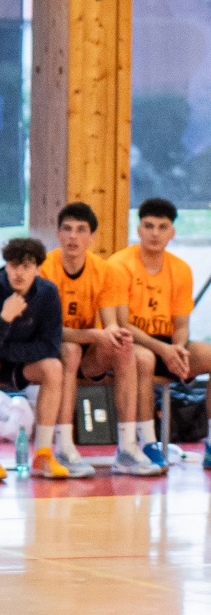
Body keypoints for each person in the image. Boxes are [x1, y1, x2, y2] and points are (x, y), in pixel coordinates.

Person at [107, 197, 210, 471]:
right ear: (138, 229)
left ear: (172, 232)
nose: (155, 233)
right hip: (133, 340)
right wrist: (163, 350)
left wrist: (178, 348)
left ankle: (210, 441)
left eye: (162, 227)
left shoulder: (181, 269)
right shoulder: (119, 265)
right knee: (144, 358)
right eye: (149, 226)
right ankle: (148, 442)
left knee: (209, 355)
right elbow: (123, 324)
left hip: (167, 343)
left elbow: (181, 323)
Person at [40, 202, 141, 478]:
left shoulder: (104, 270)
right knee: (70, 350)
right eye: (67, 229)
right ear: (58, 234)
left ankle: (128, 447)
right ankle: (64, 445)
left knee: (124, 347)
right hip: (50, 347)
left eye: (81, 230)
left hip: (89, 347)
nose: (73, 236)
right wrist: (96, 334)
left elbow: (109, 322)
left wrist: (112, 334)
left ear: (91, 237)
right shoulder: (45, 268)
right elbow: (49, 330)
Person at [0, 237, 65, 483]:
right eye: (14, 265)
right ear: (6, 265)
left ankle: (42, 453)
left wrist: (7, 350)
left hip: (20, 360)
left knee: (54, 367)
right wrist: (5, 318)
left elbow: (51, 346)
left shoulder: (48, 293)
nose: (19, 272)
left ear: (38, 269)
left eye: (26, 266)